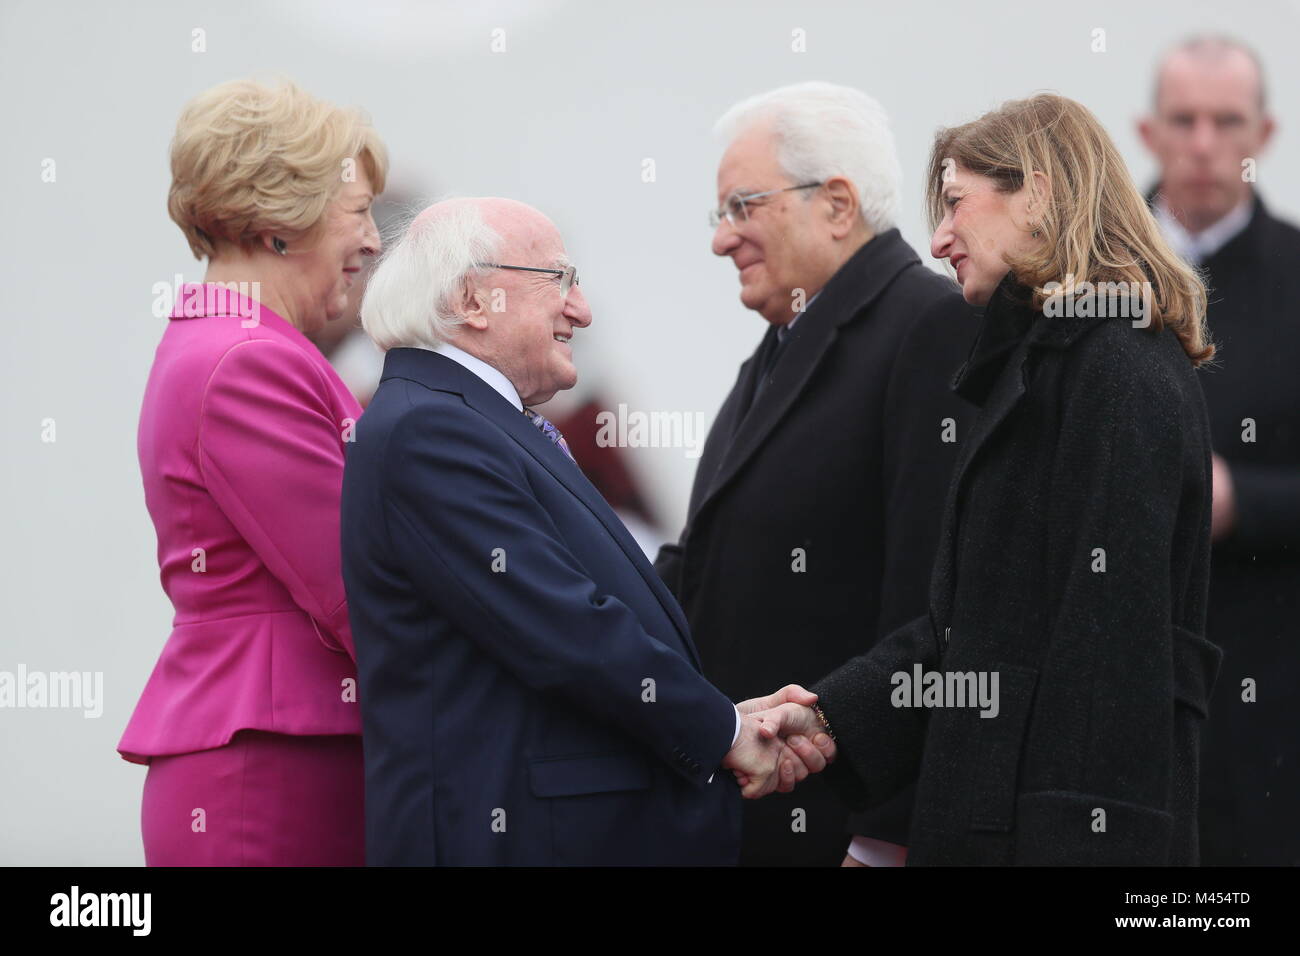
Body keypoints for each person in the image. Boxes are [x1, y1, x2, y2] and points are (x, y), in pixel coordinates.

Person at [746, 93, 1223, 865]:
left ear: (1036, 191)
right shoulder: (1050, 370)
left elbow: (1111, 659)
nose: (938, 240)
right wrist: (832, 719)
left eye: (957, 204)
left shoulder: (1117, 373)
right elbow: (971, 641)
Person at [340, 197, 835, 866]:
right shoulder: (432, 430)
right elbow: (564, 628)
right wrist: (721, 729)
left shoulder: (474, 422)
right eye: (560, 281)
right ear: (472, 299)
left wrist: (728, 719)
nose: (583, 309)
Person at [654, 81, 977, 866]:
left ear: (837, 204)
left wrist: (887, 833)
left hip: (845, 828)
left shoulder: (926, 327)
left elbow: (939, 602)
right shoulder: (777, 349)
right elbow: (706, 564)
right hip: (754, 816)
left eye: (742, 207)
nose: (721, 240)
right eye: (719, 214)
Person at [117, 78, 387, 866]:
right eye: (359, 211)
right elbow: (362, 587)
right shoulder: (246, 361)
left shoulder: (242, 346)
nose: (374, 241)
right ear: (279, 223)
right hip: (264, 783)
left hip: (286, 760)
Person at [1138, 34, 1300, 866]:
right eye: (1184, 119)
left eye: (1227, 121)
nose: (1205, 144)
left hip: (1265, 701)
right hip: (1107, 686)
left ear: (1264, 136)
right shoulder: (1075, 277)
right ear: (1146, 131)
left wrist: (1241, 500)